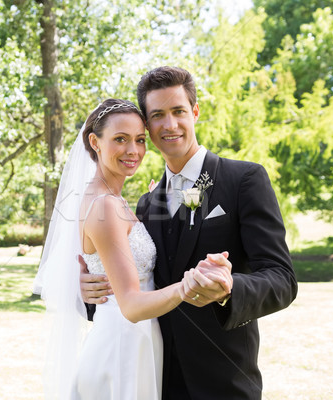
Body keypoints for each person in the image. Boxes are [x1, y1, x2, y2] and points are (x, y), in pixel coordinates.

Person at [80, 66, 298, 399]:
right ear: (148, 125)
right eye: (157, 116)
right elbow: (132, 285)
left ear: (194, 112)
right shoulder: (145, 204)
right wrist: (89, 292)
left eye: (178, 111)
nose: (170, 125)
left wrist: (229, 288)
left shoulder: (244, 180)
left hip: (225, 379)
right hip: (154, 376)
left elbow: (282, 279)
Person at [33, 98, 232, 400]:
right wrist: (189, 284)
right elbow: (131, 305)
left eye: (140, 140)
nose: (133, 151)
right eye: (120, 140)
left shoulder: (113, 200)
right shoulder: (105, 206)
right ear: (94, 142)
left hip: (136, 341)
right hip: (122, 347)